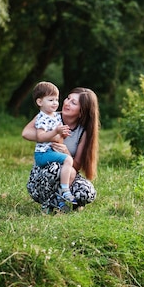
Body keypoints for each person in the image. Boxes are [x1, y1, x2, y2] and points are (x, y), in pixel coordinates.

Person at [23, 87, 100, 214]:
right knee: (54, 167)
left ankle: (61, 200)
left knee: (87, 193)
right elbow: (26, 133)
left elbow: (77, 166)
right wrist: (53, 135)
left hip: (68, 174)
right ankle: (50, 202)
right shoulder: (50, 117)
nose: (67, 103)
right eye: (68, 98)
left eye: (73, 103)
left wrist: (66, 152)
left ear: (81, 112)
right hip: (44, 176)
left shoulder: (83, 132)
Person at [30, 81, 77, 212]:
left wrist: (62, 133)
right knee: (68, 160)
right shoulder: (42, 118)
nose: (55, 103)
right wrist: (56, 131)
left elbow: (58, 137)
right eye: (51, 100)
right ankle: (64, 189)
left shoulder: (55, 116)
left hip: (49, 151)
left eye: (56, 99)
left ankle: (52, 204)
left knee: (64, 164)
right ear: (40, 102)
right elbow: (40, 137)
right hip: (42, 154)